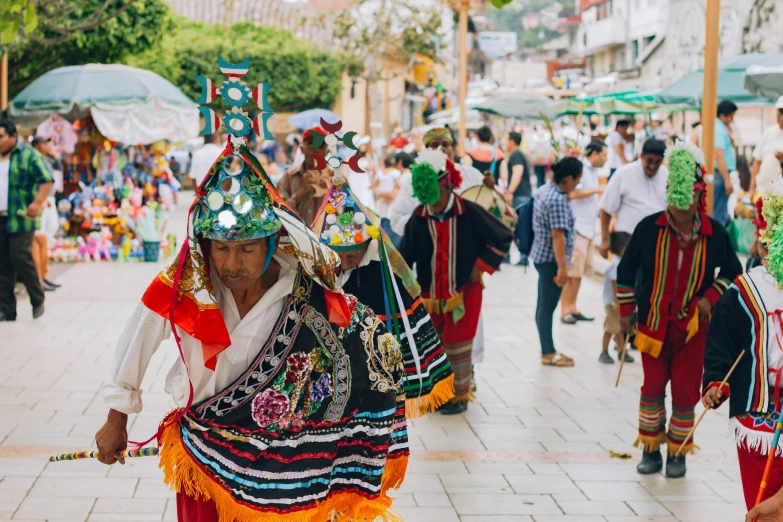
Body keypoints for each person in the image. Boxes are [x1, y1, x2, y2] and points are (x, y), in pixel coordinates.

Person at [95, 101, 409, 520]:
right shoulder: (188, 283)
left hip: (284, 468)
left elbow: (364, 344)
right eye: (220, 248)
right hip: (205, 452)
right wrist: (117, 416)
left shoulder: (305, 291)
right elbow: (141, 334)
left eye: (246, 248)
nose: (231, 264)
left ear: (270, 243)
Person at [617, 143, 742, 478]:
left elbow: (733, 272)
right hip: (652, 327)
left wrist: (708, 298)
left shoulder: (715, 233)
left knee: (686, 391)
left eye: (686, 206)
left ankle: (678, 452)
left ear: (698, 199)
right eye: (674, 202)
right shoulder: (648, 228)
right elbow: (625, 271)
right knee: (652, 388)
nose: (679, 212)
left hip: (693, 328)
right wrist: (625, 314)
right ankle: (651, 449)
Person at [311, 166, 455, 417]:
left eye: (352, 256)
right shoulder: (321, 265)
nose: (344, 264)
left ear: (368, 245)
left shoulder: (383, 272)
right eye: (338, 257)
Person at [399, 149, 512, 413]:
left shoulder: (469, 212)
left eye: (437, 200)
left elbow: (503, 236)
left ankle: (459, 396)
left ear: (448, 187)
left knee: (457, 343)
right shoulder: (419, 216)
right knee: (434, 345)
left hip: (465, 290)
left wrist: (480, 265)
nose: (433, 206)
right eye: (428, 201)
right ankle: (438, 395)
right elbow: (406, 255)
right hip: (430, 293)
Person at [704, 192, 783, 511]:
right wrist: (715, 382)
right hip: (759, 413)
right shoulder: (746, 289)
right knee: (763, 503)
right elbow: (721, 341)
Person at [388, 127, 493, 237]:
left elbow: (490, 208)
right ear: (426, 150)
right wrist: (427, 225)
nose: (441, 148)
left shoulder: (471, 174)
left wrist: (491, 190)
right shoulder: (414, 181)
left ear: (452, 148)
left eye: (445, 144)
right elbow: (397, 218)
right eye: (434, 145)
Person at [530, 157, 583, 367]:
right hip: (552, 260)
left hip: (541, 255)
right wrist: (562, 268)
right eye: (577, 180)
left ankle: (548, 349)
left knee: (543, 305)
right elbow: (558, 236)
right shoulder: (558, 200)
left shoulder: (546, 189)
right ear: (569, 179)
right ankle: (548, 352)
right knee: (547, 306)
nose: (578, 184)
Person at [0, 120, 53, 321]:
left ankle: (37, 299)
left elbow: (46, 179)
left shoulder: (28, 155)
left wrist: (37, 203)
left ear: (13, 136)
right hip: (1, 218)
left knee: (20, 256)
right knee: (3, 263)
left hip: (21, 217)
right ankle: (7, 310)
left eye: (1, 137)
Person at [560, 140, 606, 324]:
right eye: (603, 155)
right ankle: (565, 309)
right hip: (578, 226)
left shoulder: (592, 171)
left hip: (588, 227)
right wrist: (597, 189)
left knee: (579, 272)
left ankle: (573, 306)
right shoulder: (580, 169)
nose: (605, 159)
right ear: (593, 153)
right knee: (571, 271)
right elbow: (574, 193)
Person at [599, 138, 669, 259]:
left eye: (657, 162)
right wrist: (605, 240)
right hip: (626, 239)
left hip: (657, 240)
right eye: (649, 161)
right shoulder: (623, 174)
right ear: (641, 156)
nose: (652, 166)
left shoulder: (667, 176)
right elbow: (605, 208)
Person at [277, 126, 331, 226]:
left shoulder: (336, 179)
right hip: (295, 239)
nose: (316, 150)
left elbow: (346, 213)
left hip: (327, 239)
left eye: (321, 145)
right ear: (301, 149)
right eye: (311, 144)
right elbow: (279, 211)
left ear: (327, 152)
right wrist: (302, 191)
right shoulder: (288, 177)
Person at [500, 131, 532, 265]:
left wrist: (510, 192)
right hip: (523, 195)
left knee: (513, 225)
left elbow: (517, 173)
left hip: (519, 195)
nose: (505, 142)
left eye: (507, 139)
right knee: (520, 226)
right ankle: (521, 257)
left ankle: (520, 257)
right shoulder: (519, 154)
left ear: (512, 141)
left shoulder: (516, 155)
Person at [601, 231, 632, 364]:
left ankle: (621, 351)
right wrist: (619, 303)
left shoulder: (622, 263)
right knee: (610, 328)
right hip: (614, 303)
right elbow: (615, 285)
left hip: (617, 302)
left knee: (617, 329)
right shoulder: (616, 265)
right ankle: (604, 352)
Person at [750, 96, 783, 199]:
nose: (782, 117)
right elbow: (757, 162)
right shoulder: (769, 132)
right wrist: (751, 189)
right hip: (762, 190)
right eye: (780, 113)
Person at [713, 99, 739, 227]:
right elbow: (719, 155)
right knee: (719, 213)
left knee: (720, 211)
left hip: (720, 174)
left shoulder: (719, 128)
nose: (732, 120)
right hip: (720, 175)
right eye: (731, 117)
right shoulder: (718, 128)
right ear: (723, 116)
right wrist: (727, 180)